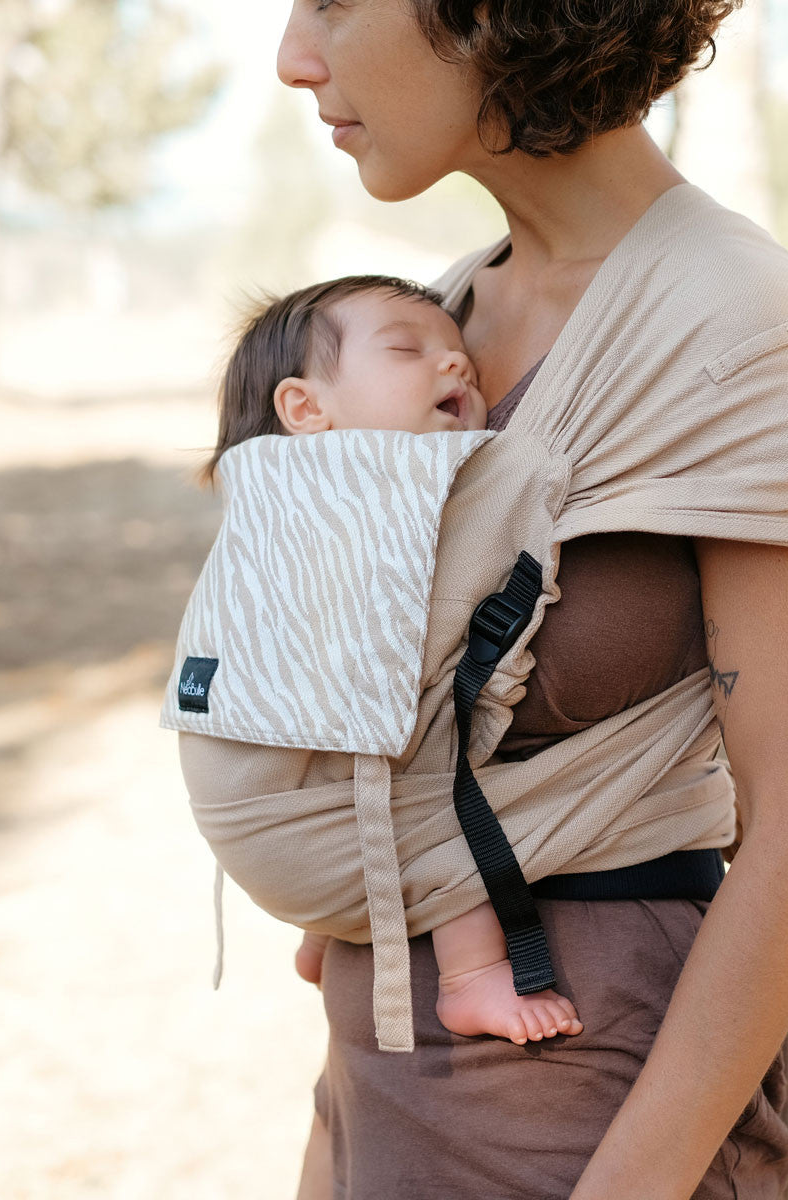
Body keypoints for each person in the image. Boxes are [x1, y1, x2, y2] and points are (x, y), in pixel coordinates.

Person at [272, 3, 788, 1198]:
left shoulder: (716, 312)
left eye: (334, 2)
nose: (296, 58)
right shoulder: (439, 320)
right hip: (394, 1096)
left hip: (601, 1102)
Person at [198, 272, 585, 1048]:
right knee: (440, 803)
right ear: (306, 409)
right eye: (409, 351)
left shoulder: (275, 492)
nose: (456, 366)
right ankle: (470, 979)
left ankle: (332, 918)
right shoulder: (377, 494)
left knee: (364, 751)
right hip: (288, 821)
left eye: (460, 357)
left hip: (237, 802)